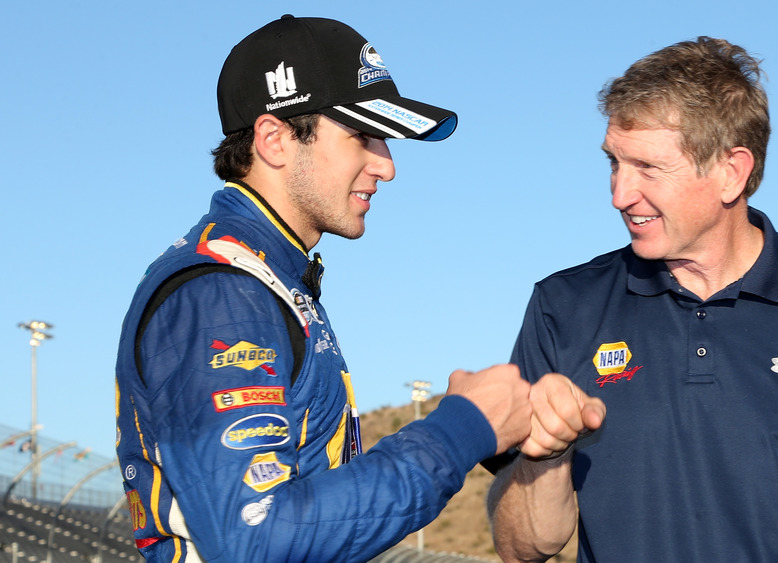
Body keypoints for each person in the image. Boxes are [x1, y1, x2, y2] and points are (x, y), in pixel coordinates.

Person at [487, 36, 778, 562]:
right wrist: (547, 456)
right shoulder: (562, 307)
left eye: (648, 168)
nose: (619, 194)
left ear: (731, 172)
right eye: (614, 162)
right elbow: (522, 549)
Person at [114, 15, 532, 562]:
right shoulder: (224, 291)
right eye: (362, 135)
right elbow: (256, 539)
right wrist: (460, 430)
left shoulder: (272, 278)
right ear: (275, 139)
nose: (386, 165)